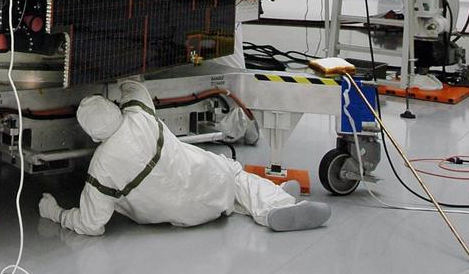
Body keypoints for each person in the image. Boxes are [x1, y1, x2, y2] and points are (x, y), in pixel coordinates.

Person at [38, 80, 331, 237]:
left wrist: (55, 212)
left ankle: (277, 199)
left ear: (91, 134)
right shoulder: (139, 115)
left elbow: (91, 225)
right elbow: (134, 85)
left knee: (231, 192)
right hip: (203, 180)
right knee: (234, 176)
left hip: (177, 217)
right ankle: (274, 204)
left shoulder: (101, 168)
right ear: (115, 110)